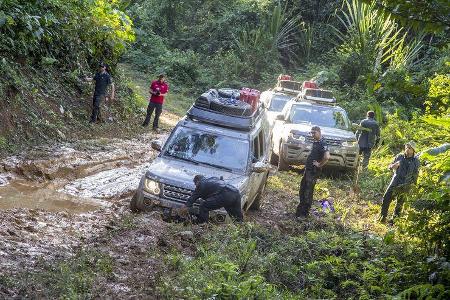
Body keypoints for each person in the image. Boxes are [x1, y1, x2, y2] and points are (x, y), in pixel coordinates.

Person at [379, 141, 420, 223]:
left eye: (409, 148)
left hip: (406, 184)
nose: (407, 149)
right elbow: (389, 167)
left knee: (400, 203)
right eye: (406, 147)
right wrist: (393, 166)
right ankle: (382, 217)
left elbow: (415, 175)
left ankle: (394, 221)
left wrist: (413, 186)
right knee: (386, 197)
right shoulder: (399, 157)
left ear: (413, 150)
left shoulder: (416, 161)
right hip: (395, 181)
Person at [296, 126, 330, 218]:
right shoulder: (316, 142)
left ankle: (304, 213)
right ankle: (300, 211)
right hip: (308, 169)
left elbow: (327, 157)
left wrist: (319, 164)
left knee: (308, 191)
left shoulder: (323, 143)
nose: (312, 135)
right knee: (302, 189)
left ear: (319, 132)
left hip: (313, 171)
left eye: (314, 133)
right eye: (311, 133)